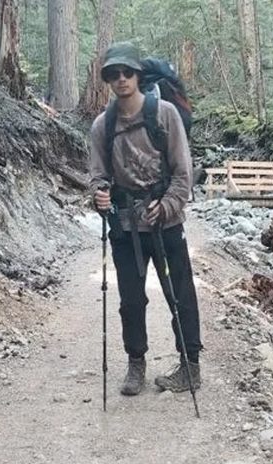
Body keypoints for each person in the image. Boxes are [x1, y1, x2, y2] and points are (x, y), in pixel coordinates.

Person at [88, 41, 202, 396]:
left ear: (138, 75)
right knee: (131, 300)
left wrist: (166, 206)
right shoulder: (102, 126)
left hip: (166, 225)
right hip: (125, 227)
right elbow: (96, 177)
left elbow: (183, 174)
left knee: (179, 294)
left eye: (127, 72)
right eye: (113, 74)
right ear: (107, 79)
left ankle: (191, 367)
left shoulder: (164, 114)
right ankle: (135, 364)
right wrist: (99, 195)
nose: (121, 79)